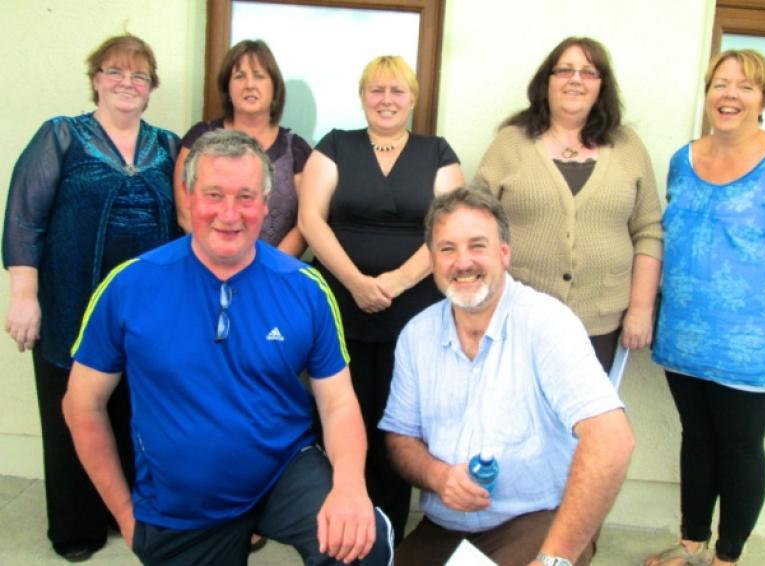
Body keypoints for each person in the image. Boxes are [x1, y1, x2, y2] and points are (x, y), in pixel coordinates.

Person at [62, 129, 392, 566]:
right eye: (214, 195)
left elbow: (338, 404)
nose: (229, 214)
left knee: (363, 546)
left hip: (283, 469)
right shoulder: (129, 286)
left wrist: (349, 487)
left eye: (246, 197)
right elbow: (82, 405)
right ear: (188, 197)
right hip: (182, 501)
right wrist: (125, 515)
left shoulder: (304, 288)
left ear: (266, 203)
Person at [379, 185, 636, 566]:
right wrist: (438, 476)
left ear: (504, 253)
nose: (462, 262)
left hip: (536, 520)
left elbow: (612, 440)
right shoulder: (417, 335)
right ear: (432, 260)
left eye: (477, 246)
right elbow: (400, 437)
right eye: (447, 249)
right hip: (446, 527)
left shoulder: (547, 324)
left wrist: (553, 561)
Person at [2, 34, 179, 561]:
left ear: (151, 88)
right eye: (115, 71)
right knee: (73, 413)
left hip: (147, 313)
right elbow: (24, 219)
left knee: (137, 413)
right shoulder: (61, 136)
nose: (127, 82)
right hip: (70, 305)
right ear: (96, 80)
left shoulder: (169, 146)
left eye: (139, 75)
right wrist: (24, 295)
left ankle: (128, 514)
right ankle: (77, 526)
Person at [299, 55, 464, 542]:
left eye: (397, 91)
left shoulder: (437, 152)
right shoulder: (335, 145)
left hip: (412, 309)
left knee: (399, 419)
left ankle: (386, 528)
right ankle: (337, 521)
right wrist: (355, 282)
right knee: (337, 411)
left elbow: (447, 227)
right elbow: (311, 220)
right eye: (377, 90)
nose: (386, 99)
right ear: (362, 97)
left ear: (413, 99)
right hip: (340, 305)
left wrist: (394, 282)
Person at [647, 50, 765, 566]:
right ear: (707, 92)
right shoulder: (682, 160)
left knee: (739, 447)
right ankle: (691, 543)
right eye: (721, 83)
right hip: (684, 334)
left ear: (763, 99)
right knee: (697, 439)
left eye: (745, 86)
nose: (730, 94)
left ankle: (727, 555)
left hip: (751, 343)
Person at [475, 36, 663, 372]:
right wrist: (480, 301)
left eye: (588, 72)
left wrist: (640, 309)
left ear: (601, 86)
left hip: (601, 322)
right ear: (546, 81)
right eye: (564, 70)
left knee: (587, 406)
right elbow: (478, 226)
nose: (575, 79)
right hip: (519, 315)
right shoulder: (510, 143)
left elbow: (648, 231)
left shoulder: (628, 146)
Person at [174, 39, 311, 257]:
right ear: (227, 88)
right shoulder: (200, 138)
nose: (249, 85)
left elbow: (306, 223)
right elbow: (185, 212)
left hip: (273, 269)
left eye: (259, 76)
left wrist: (267, 267)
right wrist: (220, 260)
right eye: (239, 76)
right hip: (206, 264)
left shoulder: (296, 150)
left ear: (274, 88)